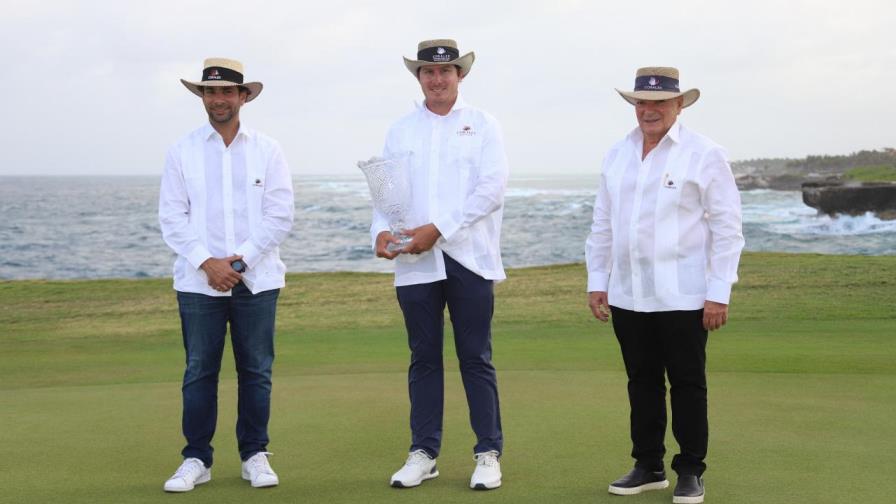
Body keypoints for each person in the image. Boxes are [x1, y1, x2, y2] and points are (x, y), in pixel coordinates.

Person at [585, 67, 744, 504]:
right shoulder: (617, 154)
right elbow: (602, 223)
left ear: (678, 105)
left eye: (658, 102)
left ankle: (691, 469)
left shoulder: (705, 154)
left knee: (688, 383)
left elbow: (728, 228)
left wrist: (719, 291)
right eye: (641, 102)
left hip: (685, 294)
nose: (649, 110)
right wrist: (598, 280)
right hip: (629, 292)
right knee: (642, 381)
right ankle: (648, 465)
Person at [370, 39, 509, 491]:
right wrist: (380, 232)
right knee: (423, 358)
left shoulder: (483, 124)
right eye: (428, 72)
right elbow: (386, 193)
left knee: (475, 357)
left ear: (459, 76)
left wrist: (440, 229)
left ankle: (487, 452)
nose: (437, 79)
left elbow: (491, 190)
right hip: (415, 262)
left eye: (445, 72)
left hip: (469, 257)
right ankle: (424, 452)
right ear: (419, 77)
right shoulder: (401, 130)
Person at [158, 58, 294, 492]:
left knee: (256, 370)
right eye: (210, 92)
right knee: (200, 371)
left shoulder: (268, 149)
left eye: (226, 92)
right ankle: (197, 458)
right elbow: (172, 218)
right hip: (199, 282)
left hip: (257, 279)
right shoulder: (182, 150)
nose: (218, 99)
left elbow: (280, 215)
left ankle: (255, 454)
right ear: (202, 97)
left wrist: (238, 263)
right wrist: (208, 263)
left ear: (243, 96)